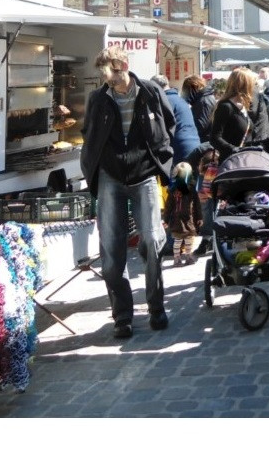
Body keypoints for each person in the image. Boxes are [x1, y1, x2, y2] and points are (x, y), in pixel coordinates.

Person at [80, 46, 176, 339]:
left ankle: (156, 307)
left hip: (144, 175)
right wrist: (95, 167)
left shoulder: (148, 91)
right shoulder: (98, 99)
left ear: (122, 65)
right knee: (111, 248)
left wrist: (163, 156)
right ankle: (122, 315)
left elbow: (168, 123)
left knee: (151, 240)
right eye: (103, 77)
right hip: (110, 178)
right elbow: (89, 133)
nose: (106, 81)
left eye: (108, 74)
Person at [152, 74, 200, 166]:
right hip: (195, 145)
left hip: (180, 149)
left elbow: (159, 130)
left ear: (156, 88)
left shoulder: (165, 102)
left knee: (179, 179)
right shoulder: (180, 100)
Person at [209, 68, 256, 163]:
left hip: (244, 161)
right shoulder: (226, 107)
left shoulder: (244, 107)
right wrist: (234, 149)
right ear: (245, 85)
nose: (254, 87)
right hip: (230, 164)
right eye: (252, 83)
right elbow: (215, 138)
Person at [182, 75, 216, 143]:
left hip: (204, 142)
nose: (186, 94)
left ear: (194, 87)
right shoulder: (203, 99)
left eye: (187, 91)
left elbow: (200, 126)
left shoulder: (204, 101)